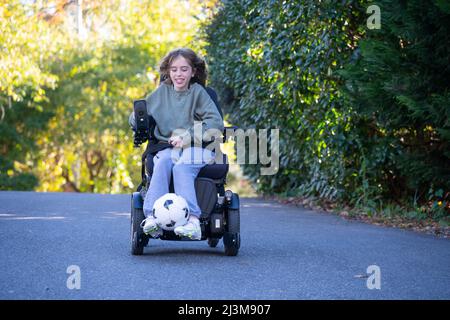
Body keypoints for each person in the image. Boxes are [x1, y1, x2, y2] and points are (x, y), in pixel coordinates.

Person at [129, 48, 224, 240]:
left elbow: (215, 123)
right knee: (162, 162)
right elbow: (138, 116)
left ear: (193, 71)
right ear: (168, 71)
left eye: (183, 69)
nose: (178, 74)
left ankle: (193, 221)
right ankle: (152, 218)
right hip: (167, 148)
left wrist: (186, 137)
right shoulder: (161, 93)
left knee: (182, 167)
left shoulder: (198, 93)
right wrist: (138, 119)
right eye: (174, 70)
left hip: (199, 149)